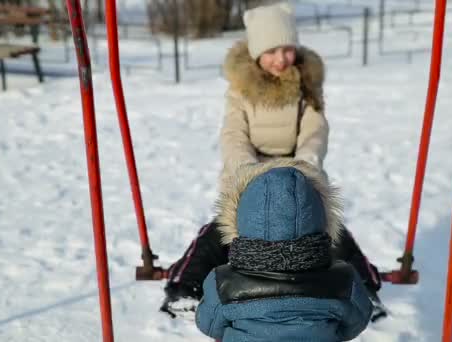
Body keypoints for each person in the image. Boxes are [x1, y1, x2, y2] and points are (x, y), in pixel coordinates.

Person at [161, 2, 382, 318]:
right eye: (272, 51)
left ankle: (366, 291)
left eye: (287, 49)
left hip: (298, 172)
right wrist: (246, 169)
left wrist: (305, 163)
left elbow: (314, 131)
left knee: (332, 232)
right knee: (218, 232)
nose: (281, 59)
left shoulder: (306, 86)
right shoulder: (241, 90)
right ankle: (184, 287)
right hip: (249, 174)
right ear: (256, 53)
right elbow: (233, 134)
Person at [196, 161, 373, 341]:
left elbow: (208, 324)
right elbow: (356, 322)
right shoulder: (343, 281)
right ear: (323, 219)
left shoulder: (224, 283)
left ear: (237, 219)